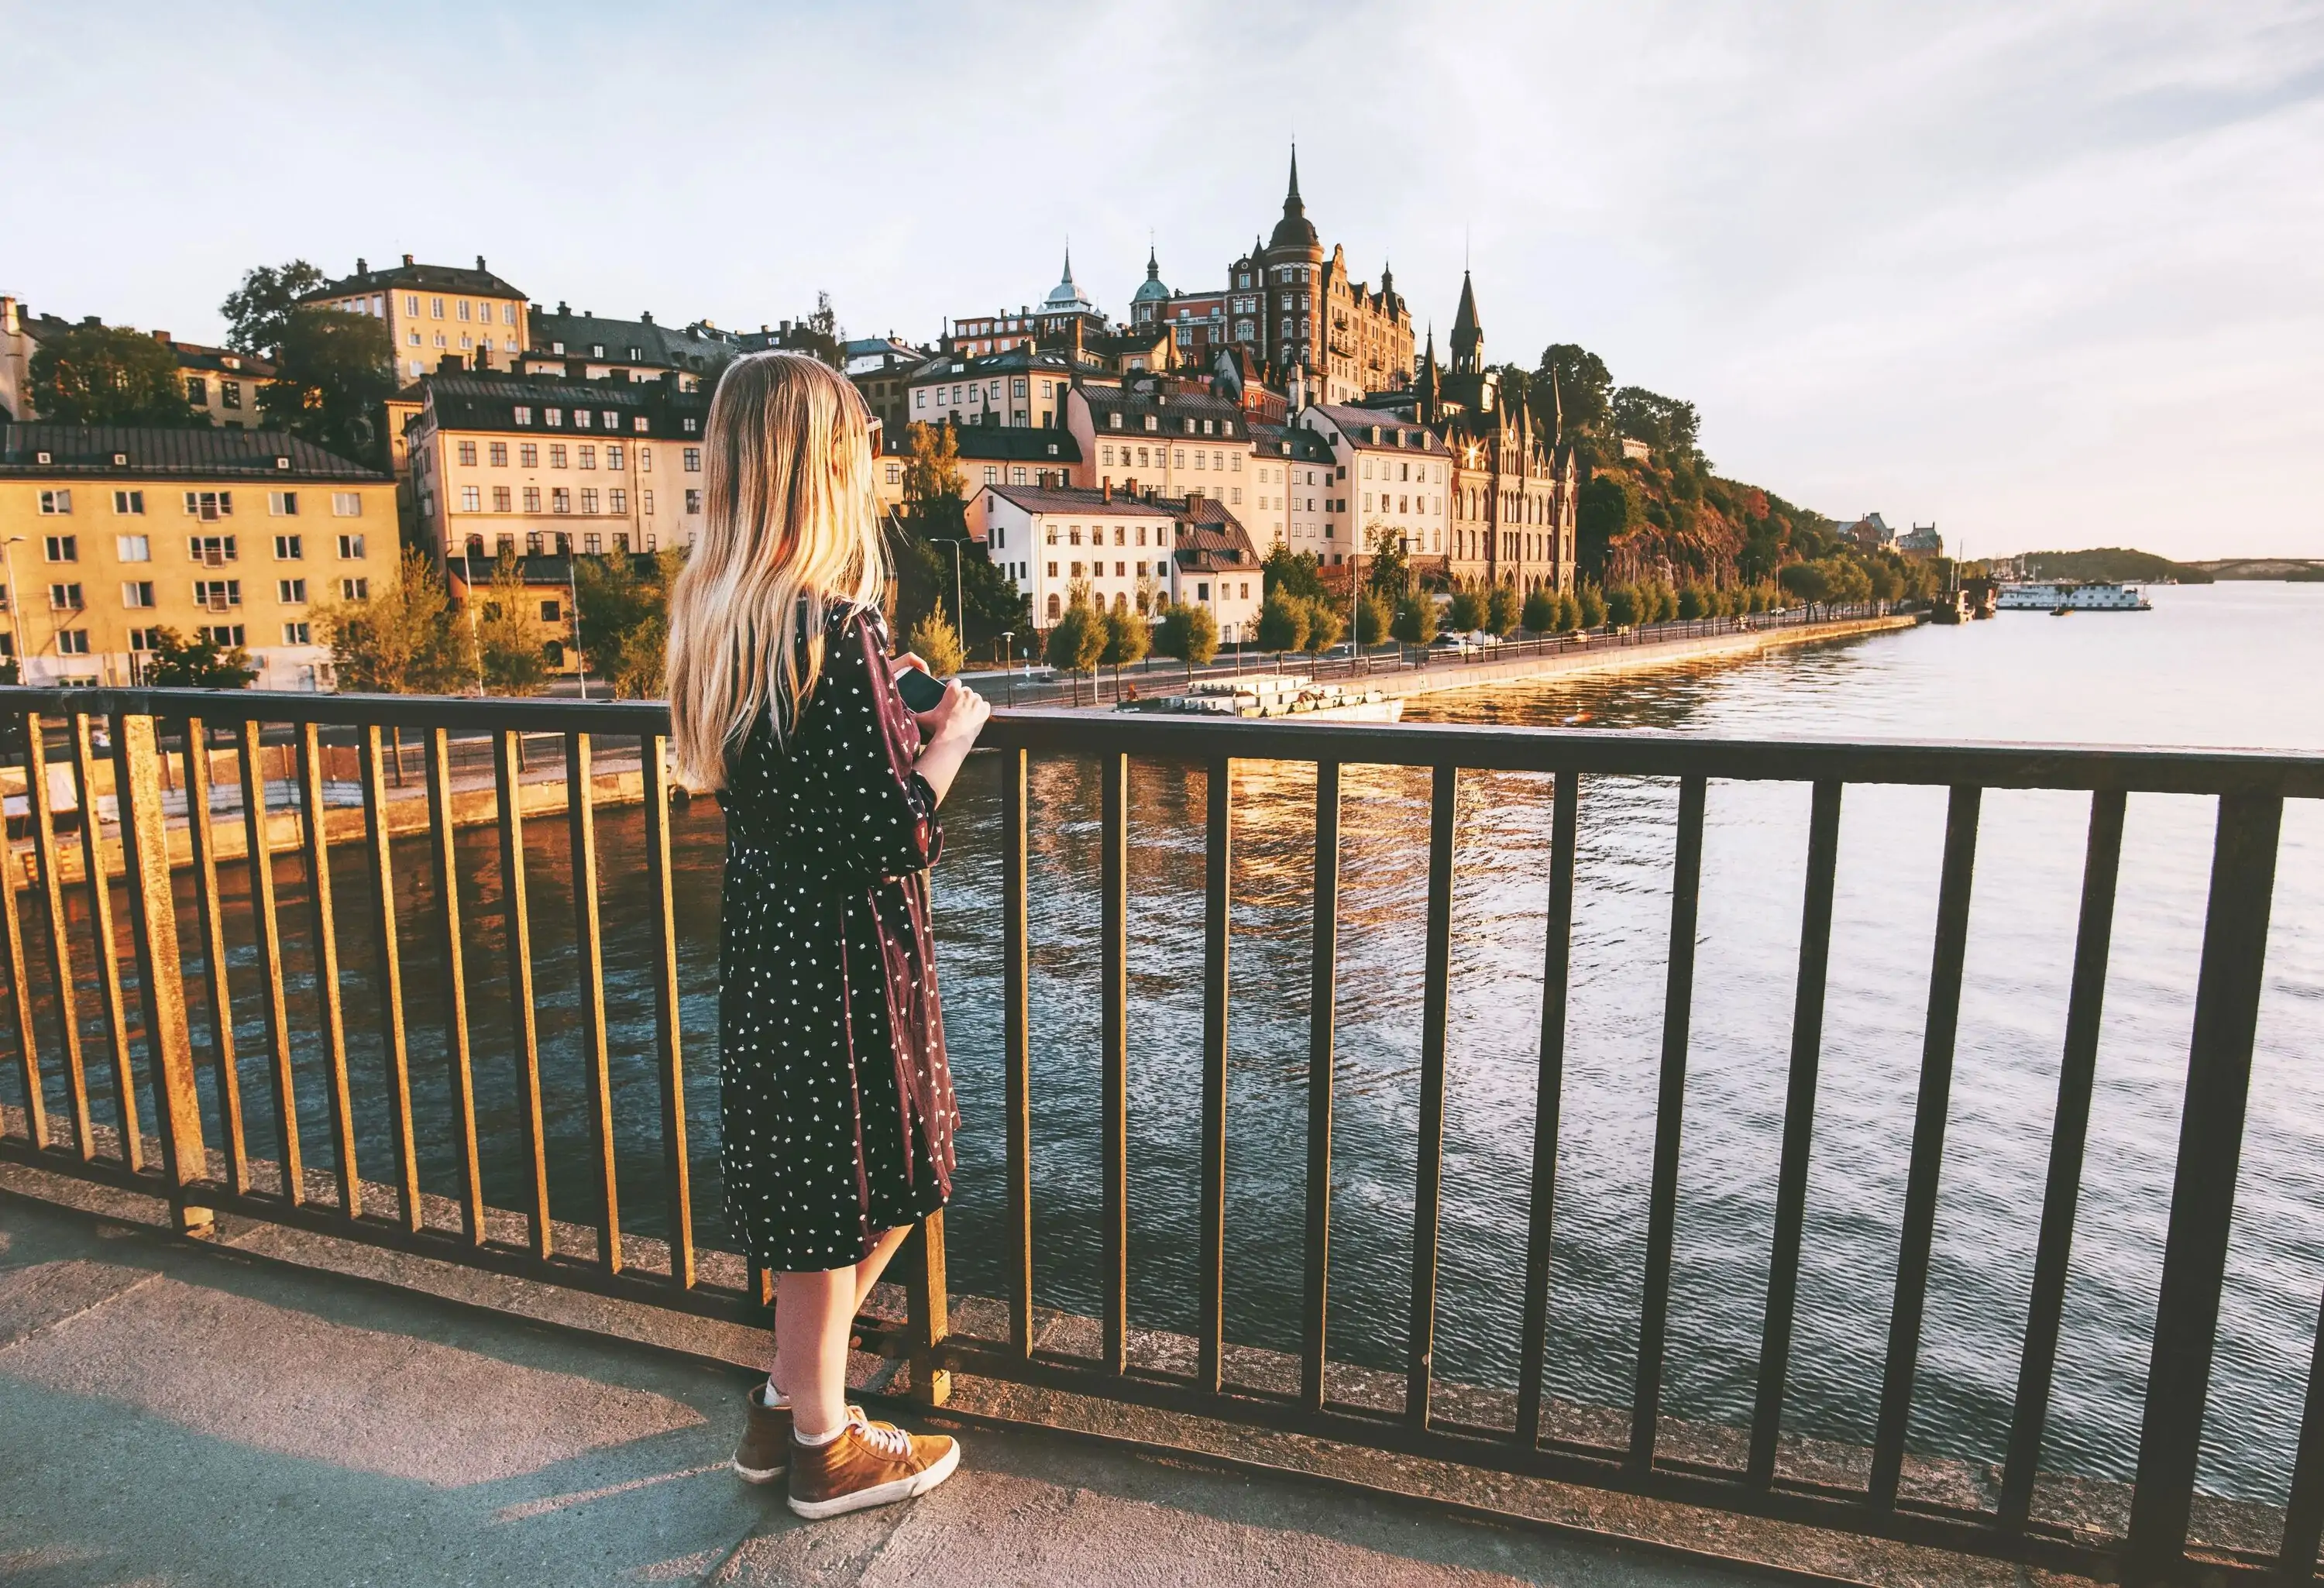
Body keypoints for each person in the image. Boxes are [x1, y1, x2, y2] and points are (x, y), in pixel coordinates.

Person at [665, 352, 990, 1519]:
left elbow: (794, 785)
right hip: (847, 955)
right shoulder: (834, 624)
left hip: (769, 945)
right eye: (856, 450)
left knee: (819, 1190)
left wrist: (873, 701)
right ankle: (823, 1437)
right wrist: (950, 734)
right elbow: (892, 827)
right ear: (821, 471)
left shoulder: (727, 621)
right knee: (892, 1171)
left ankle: (786, 1404)